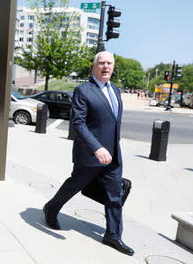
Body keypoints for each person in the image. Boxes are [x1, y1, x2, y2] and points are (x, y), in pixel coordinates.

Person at [43, 51, 134, 256]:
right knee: (74, 186)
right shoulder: (83, 91)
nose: (106, 66)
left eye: (109, 63)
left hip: (113, 156)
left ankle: (113, 235)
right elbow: (78, 123)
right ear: (94, 66)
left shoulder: (116, 91)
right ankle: (51, 208)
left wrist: (113, 147)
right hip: (90, 154)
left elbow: (112, 121)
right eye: (101, 63)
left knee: (114, 194)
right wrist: (97, 147)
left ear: (113, 66)